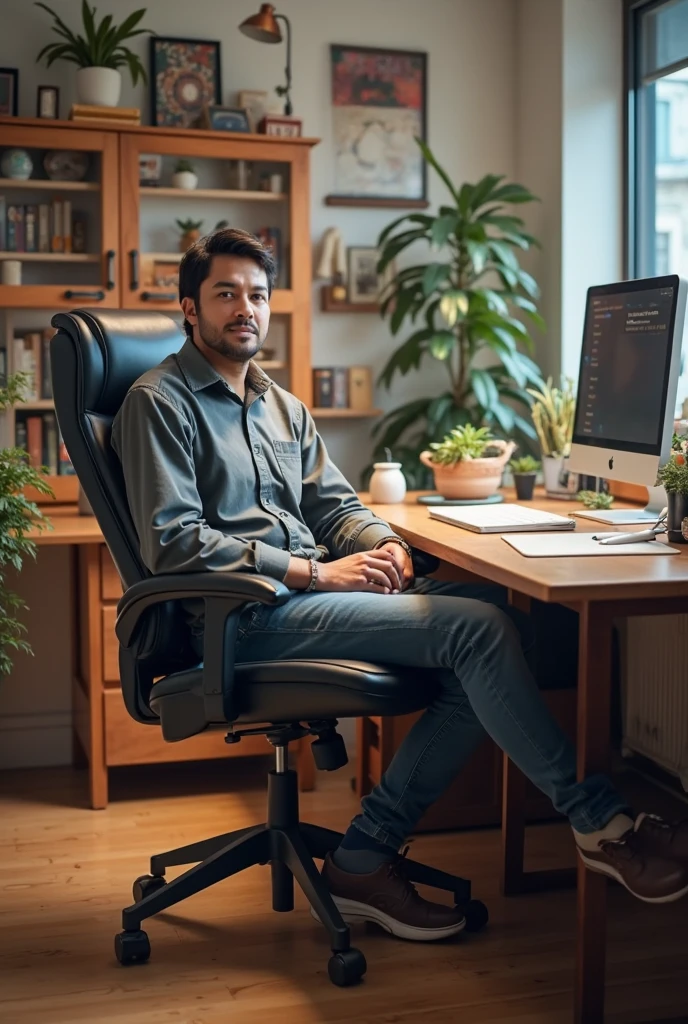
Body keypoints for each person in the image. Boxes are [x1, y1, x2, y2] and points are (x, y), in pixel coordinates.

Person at [111, 228, 688, 943]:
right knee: (475, 631)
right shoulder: (157, 402)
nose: (245, 309)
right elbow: (175, 541)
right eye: (225, 294)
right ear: (190, 309)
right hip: (244, 620)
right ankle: (600, 823)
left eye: (256, 295)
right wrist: (317, 570)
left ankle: (363, 855)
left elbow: (336, 507)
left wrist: (381, 545)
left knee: (495, 615)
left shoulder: (281, 407)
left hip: (310, 599)